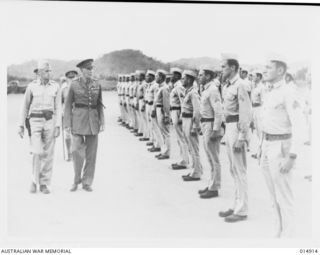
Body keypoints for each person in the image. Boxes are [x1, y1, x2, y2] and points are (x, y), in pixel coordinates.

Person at [259, 55, 303, 237]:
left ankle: (290, 239)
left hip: (281, 146)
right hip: (267, 145)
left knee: (284, 196)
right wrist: (261, 147)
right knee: (272, 196)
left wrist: (292, 156)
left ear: (280, 70)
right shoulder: (268, 91)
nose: (264, 70)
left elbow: (300, 125)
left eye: (268, 67)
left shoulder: (288, 91)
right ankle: (277, 233)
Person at [18, 60, 62, 194]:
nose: (49, 73)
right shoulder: (31, 87)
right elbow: (24, 107)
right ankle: (34, 180)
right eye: (46, 71)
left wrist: (58, 125)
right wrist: (21, 125)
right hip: (35, 121)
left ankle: (44, 183)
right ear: (39, 73)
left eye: (50, 71)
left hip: (50, 121)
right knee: (37, 151)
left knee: (48, 153)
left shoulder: (55, 86)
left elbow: (58, 107)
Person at [64, 59, 105, 192]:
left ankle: (87, 181)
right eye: (88, 69)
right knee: (76, 151)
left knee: (91, 154)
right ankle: (76, 180)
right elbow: (68, 105)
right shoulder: (74, 84)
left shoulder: (97, 84)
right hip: (77, 121)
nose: (91, 71)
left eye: (92, 69)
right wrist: (67, 123)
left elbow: (99, 104)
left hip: (93, 122)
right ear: (81, 71)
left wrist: (102, 121)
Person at [219, 56, 252, 223]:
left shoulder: (242, 85)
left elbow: (245, 113)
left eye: (224, 66)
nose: (222, 69)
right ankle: (236, 204)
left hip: (237, 129)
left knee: (240, 171)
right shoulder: (228, 86)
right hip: (229, 128)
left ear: (232, 68)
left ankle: (242, 210)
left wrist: (242, 137)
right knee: (233, 170)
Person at [197, 68, 224, 198]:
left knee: (214, 158)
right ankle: (211, 184)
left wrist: (216, 130)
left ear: (208, 76)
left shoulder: (213, 89)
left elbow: (218, 111)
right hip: (205, 123)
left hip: (211, 125)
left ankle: (214, 187)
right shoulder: (206, 89)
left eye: (201, 75)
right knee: (209, 157)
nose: (199, 77)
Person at [180, 70, 202, 182]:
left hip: (190, 121)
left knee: (194, 148)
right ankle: (194, 170)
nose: (182, 80)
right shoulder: (188, 91)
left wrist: (195, 126)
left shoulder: (193, 93)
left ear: (189, 79)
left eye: (183, 78)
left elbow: (197, 112)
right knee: (190, 147)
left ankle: (197, 172)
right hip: (185, 119)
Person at [169, 67, 189, 170]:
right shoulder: (175, 86)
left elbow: (183, 102)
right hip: (174, 111)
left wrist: (181, 115)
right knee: (179, 138)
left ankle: (184, 161)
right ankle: (183, 160)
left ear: (177, 76)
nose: (171, 76)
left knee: (182, 138)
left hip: (177, 111)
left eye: (172, 74)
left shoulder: (179, 86)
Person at [61, 70, 78, 161]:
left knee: (76, 134)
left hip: (77, 113)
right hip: (67, 113)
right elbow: (60, 102)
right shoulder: (63, 88)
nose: (71, 79)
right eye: (70, 77)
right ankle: (69, 153)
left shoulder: (79, 87)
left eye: (73, 77)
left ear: (76, 77)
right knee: (67, 134)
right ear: (66, 78)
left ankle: (75, 152)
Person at [154, 69, 171, 160]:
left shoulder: (164, 88)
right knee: (162, 132)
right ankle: (163, 151)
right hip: (158, 109)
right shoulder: (160, 87)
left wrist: (166, 115)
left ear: (161, 77)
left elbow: (166, 103)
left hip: (162, 110)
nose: (155, 78)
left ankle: (167, 152)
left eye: (156, 76)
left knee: (165, 133)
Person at [250, 71, 265, 159]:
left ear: (259, 77)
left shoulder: (262, 88)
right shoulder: (254, 87)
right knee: (256, 132)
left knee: (260, 132)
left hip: (259, 110)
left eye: (254, 76)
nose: (252, 77)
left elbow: (263, 102)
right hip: (254, 109)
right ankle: (260, 152)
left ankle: (261, 153)